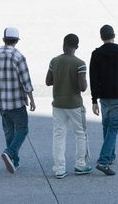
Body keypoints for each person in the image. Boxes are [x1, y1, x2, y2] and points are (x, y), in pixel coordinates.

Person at [0, 27, 36, 174]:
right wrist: (32, 99)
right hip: (17, 102)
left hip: (1, 103)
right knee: (22, 129)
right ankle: (9, 153)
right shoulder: (18, 57)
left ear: (4, 39)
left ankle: (14, 161)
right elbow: (26, 81)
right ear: (16, 41)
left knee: (9, 132)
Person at [46, 33, 92, 179]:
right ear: (77, 47)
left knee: (59, 134)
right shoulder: (80, 64)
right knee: (80, 134)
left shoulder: (54, 61)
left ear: (63, 43)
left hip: (58, 103)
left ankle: (59, 169)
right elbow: (82, 87)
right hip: (74, 104)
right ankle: (80, 165)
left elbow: (48, 81)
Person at [90, 24, 118, 176]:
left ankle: (111, 155)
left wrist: (94, 100)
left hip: (104, 97)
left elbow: (93, 78)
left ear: (101, 37)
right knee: (113, 128)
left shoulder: (96, 54)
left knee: (107, 127)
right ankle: (103, 160)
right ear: (114, 35)